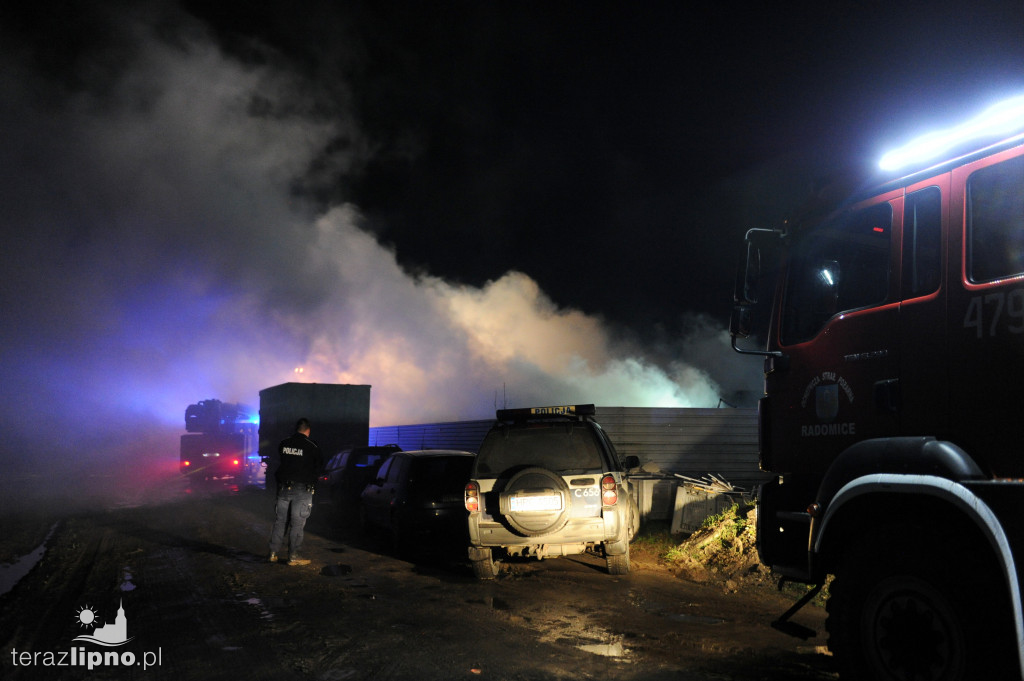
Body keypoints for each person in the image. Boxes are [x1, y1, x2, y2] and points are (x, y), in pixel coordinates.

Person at [268, 417, 324, 566]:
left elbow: (280, 463)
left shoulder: (284, 443)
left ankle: (272, 553)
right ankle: (293, 556)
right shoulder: (312, 446)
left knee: (280, 522)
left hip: (284, 488)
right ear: (308, 430)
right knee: (297, 524)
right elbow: (318, 467)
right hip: (302, 490)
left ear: (296, 429)